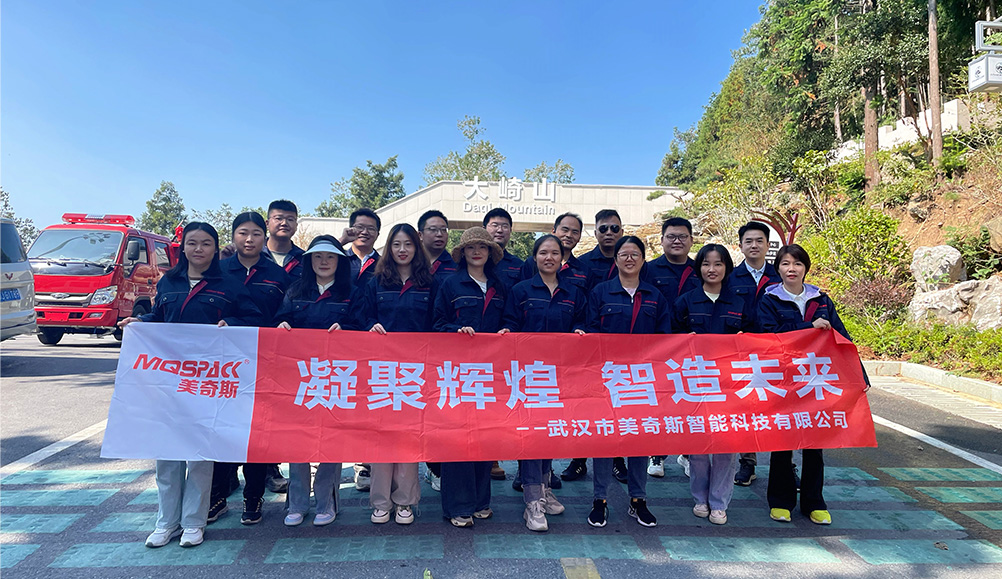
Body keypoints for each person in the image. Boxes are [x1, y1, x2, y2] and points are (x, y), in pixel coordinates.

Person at [118, 222, 262, 549]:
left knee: (200, 456)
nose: (199, 249)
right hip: (170, 382)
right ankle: (166, 522)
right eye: (192, 243)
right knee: (166, 455)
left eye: (206, 243)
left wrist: (231, 322)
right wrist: (140, 323)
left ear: (215, 248)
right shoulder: (169, 281)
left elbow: (253, 318)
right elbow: (159, 317)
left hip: (208, 382)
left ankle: (194, 523)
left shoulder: (229, 285)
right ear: (182, 247)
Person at [757, 244, 870, 526]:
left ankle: (814, 502)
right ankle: (780, 501)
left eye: (797, 264)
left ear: (806, 268)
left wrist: (860, 375)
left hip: (815, 380)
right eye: (785, 264)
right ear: (778, 268)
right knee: (782, 442)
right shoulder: (769, 299)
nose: (791, 269)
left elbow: (842, 338)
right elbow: (768, 336)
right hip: (783, 381)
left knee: (815, 443)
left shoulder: (821, 299)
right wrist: (808, 328)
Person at [499, 234, 587, 532]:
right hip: (528, 376)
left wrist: (580, 331)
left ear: (562, 258)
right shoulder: (521, 290)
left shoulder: (574, 292)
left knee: (549, 433)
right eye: (543, 253)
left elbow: (583, 322)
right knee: (530, 436)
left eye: (555, 253)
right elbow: (510, 322)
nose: (549, 258)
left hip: (560, 375)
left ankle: (545, 487)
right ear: (534, 257)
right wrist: (506, 332)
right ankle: (532, 501)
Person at [351, 224, 436, 526]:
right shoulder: (375, 282)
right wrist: (370, 325)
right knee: (382, 436)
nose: (402, 250)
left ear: (417, 248)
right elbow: (360, 316)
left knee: (409, 437)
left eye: (408, 244)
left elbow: (438, 322)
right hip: (382, 371)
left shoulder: (430, 283)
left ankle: (405, 501)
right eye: (397, 244)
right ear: (389, 248)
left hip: (416, 371)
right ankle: (380, 502)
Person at [210, 212, 292, 525]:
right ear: (233, 236)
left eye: (256, 233)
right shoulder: (217, 271)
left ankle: (253, 497)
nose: (249, 239)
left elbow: (285, 314)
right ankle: (218, 495)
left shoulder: (277, 275)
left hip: (265, 362)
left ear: (264, 236)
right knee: (223, 430)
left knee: (258, 432)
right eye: (243, 233)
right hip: (223, 365)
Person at [585, 236, 669, 529]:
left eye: (635, 254)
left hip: (642, 379)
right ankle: (599, 500)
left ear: (643, 260)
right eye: (624, 254)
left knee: (639, 437)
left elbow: (665, 338)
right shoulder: (600, 292)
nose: (629, 259)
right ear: (616, 259)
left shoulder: (655, 296)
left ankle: (638, 499)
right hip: (608, 377)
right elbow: (590, 331)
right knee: (605, 438)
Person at [274, 235, 355, 527]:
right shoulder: (295, 290)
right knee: (297, 441)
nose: (324, 262)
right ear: (309, 261)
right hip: (299, 378)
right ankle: (297, 503)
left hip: (336, 377)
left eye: (330, 257)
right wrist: (282, 325)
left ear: (339, 262)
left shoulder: (351, 293)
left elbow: (361, 325)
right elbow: (279, 320)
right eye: (318, 257)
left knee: (331, 441)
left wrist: (346, 329)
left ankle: (326, 503)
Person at [432, 226, 506, 528]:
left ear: (490, 253)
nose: (477, 252)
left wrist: (507, 331)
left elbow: (510, 320)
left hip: (490, 373)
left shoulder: (499, 286)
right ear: (462, 253)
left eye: (483, 247)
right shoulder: (450, 284)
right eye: (471, 248)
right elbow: (437, 323)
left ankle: (480, 502)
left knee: (485, 437)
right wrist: (456, 330)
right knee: (457, 439)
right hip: (457, 373)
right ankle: (457, 507)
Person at [673, 244, 750, 526]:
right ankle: (700, 498)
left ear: (727, 268)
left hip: (730, 385)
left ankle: (719, 502)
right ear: (699, 268)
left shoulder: (739, 303)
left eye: (718, 264)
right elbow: (669, 340)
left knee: (726, 447)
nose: (712, 269)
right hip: (695, 383)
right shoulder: (686, 302)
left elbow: (757, 340)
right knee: (699, 446)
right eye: (706, 263)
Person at [563, 209, 628, 484]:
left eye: (614, 228)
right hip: (589, 343)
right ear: (595, 232)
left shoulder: (631, 258)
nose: (609, 233)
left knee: (618, 404)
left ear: (622, 231)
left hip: (622, 345)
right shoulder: (584, 265)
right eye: (603, 228)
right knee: (586, 404)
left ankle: (617, 459)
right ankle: (579, 459)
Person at [642, 217, 702, 479]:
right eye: (671, 236)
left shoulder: (701, 269)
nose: (677, 241)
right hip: (658, 344)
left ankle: (687, 453)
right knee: (659, 400)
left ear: (691, 240)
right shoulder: (649, 269)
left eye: (682, 236)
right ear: (662, 240)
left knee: (689, 399)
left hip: (693, 346)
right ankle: (656, 452)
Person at [727, 221, 781, 486]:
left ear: (768, 245)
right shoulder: (731, 277)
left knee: (781, 407)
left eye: (759, 240)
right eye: (748, 241)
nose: (754, 245)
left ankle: (785, 464)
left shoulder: (780, 275)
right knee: (747, 407)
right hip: (743, 353)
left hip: (777, 350)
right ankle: (747, 462)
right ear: (740, 246)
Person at [338, 208, 382, 490]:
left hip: (373, 339)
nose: (364, 232)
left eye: (370, 228)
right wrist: (340, 242)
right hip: (340, 336)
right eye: (358, 227)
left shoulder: (384, 263)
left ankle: (366, 463)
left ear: (378, 233)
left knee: (370, 399)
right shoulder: (337, 257)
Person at [482, 208, 523, 480]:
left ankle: (525, 466)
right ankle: (489, 458)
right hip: (476, 344)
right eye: (494, 225)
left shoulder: (518, 265)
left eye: (505, 226)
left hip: (510, 341)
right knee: (483, 400)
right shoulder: (473, 260)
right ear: (485, 227)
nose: (499, 230)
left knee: (513, 401)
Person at [521, 213, 589, 291]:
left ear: (580, 237)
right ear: (553, 231)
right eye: (565, 230)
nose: (569, 235)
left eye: (575, 232)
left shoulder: (584, 270)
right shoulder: (532, 263)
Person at [262, 200, 305, 279]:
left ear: (296, 225)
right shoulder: (255, 255)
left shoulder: (304, 259)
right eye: (279, 218)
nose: (284, 223)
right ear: (267, 224)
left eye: (290, 219)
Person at [418, 210, 457, 284]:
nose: (439, 234)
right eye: (433, 229)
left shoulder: (457, 266)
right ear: (420, 235)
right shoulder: (411, 264)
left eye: (443, 230)